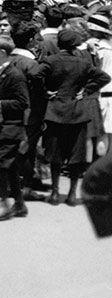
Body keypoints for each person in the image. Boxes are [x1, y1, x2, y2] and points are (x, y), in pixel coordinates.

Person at [41, 24, 110, 205]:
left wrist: (46, 91)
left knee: (55, 154)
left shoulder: (51, 61)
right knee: (76, 155)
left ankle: (55, 192)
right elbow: (104, 77)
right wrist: (86, 91)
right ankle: (72, 194)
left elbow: (34, 75)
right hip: (78, 112)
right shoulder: (84, 63)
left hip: (55, 111)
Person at [0, 34, 31, 221]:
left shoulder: (15, 75)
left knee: (0, 164)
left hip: (12, 128)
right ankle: (19, 204)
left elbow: (22, 102)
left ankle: (3, 204)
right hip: (2, 127)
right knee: (9, 168)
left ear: (2, 52)